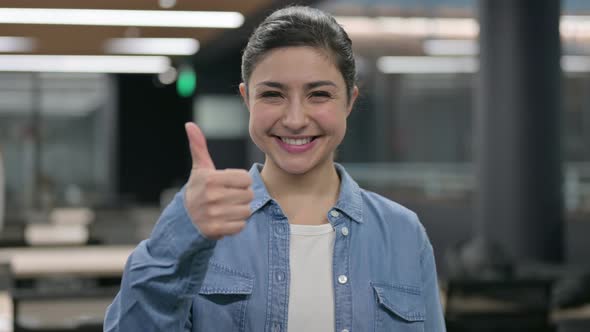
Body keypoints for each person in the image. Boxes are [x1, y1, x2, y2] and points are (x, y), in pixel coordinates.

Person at [104, 5, 445, 332]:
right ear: (246, 99)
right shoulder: (204, 224)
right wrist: (176, 240)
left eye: (319, 95)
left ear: (350, 101)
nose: (295, 120)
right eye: (272, 95)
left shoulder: (403, 234)